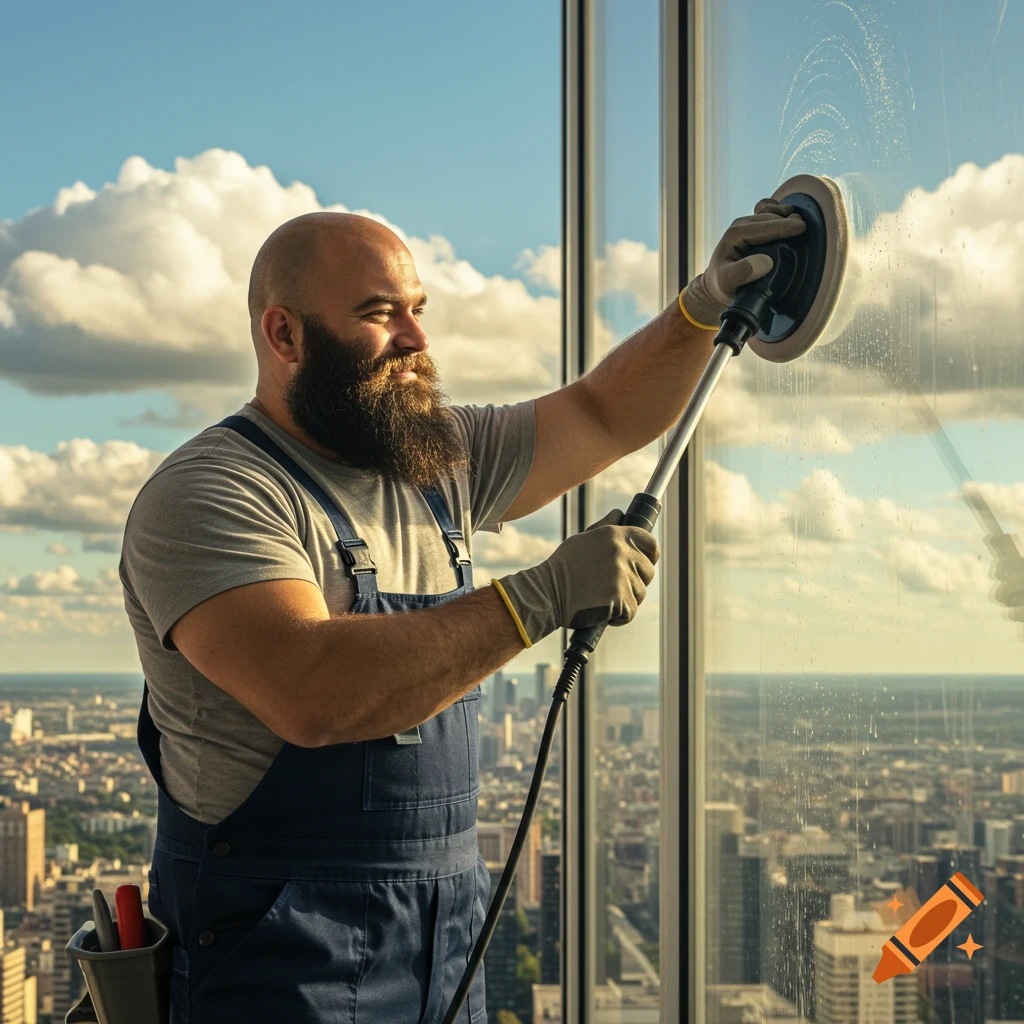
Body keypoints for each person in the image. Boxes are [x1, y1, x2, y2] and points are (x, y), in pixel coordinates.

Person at [119, 201, 804, 1022]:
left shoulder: (433, 461)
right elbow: (311, 690)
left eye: (417, 311)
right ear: (284, 334)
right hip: (275, 951)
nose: (415, 340)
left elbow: (602, 413)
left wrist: (701, 308)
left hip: (442, 940)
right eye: (379, 314)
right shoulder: (215, 492)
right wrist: (539, 595)